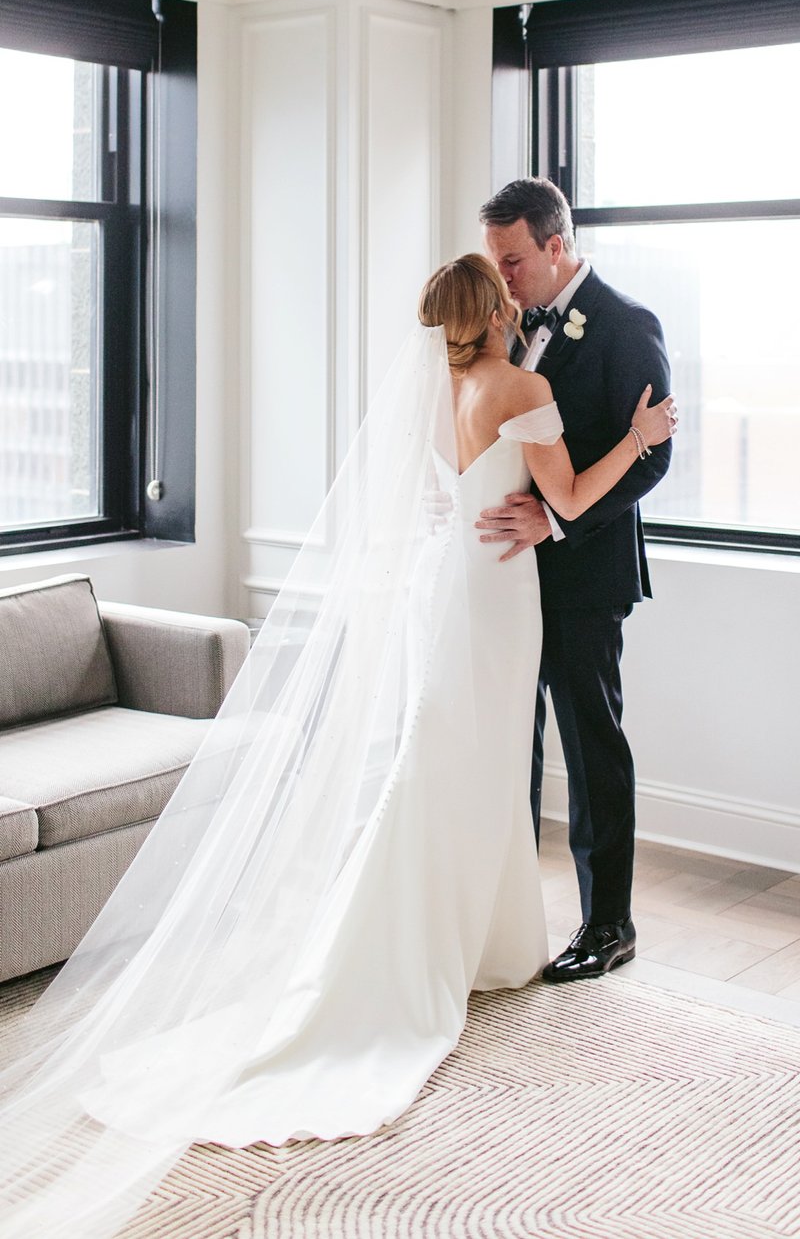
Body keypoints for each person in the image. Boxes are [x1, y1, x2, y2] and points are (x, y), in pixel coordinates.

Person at [0, 255, 673, 1239]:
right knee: (473, 769)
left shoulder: (437, 392)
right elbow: (565, 497)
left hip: (447, 589)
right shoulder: (519, 384)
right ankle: (423, 952)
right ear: (492, 311)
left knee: (448, 764)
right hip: (496, 594)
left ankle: (479, 937)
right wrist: (640, 438)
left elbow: (441, 503)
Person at [479, 178, 674, 984]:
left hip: (587, 572)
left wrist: (556, 521)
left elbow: (654, 455)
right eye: (495, 261)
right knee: (508, 743)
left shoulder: (629, 325)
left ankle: (609, 923)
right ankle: (509, 908)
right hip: (502, 581)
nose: (504, 276)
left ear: (556, 246)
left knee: (592, 746)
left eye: (514, 259)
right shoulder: (506, 325)